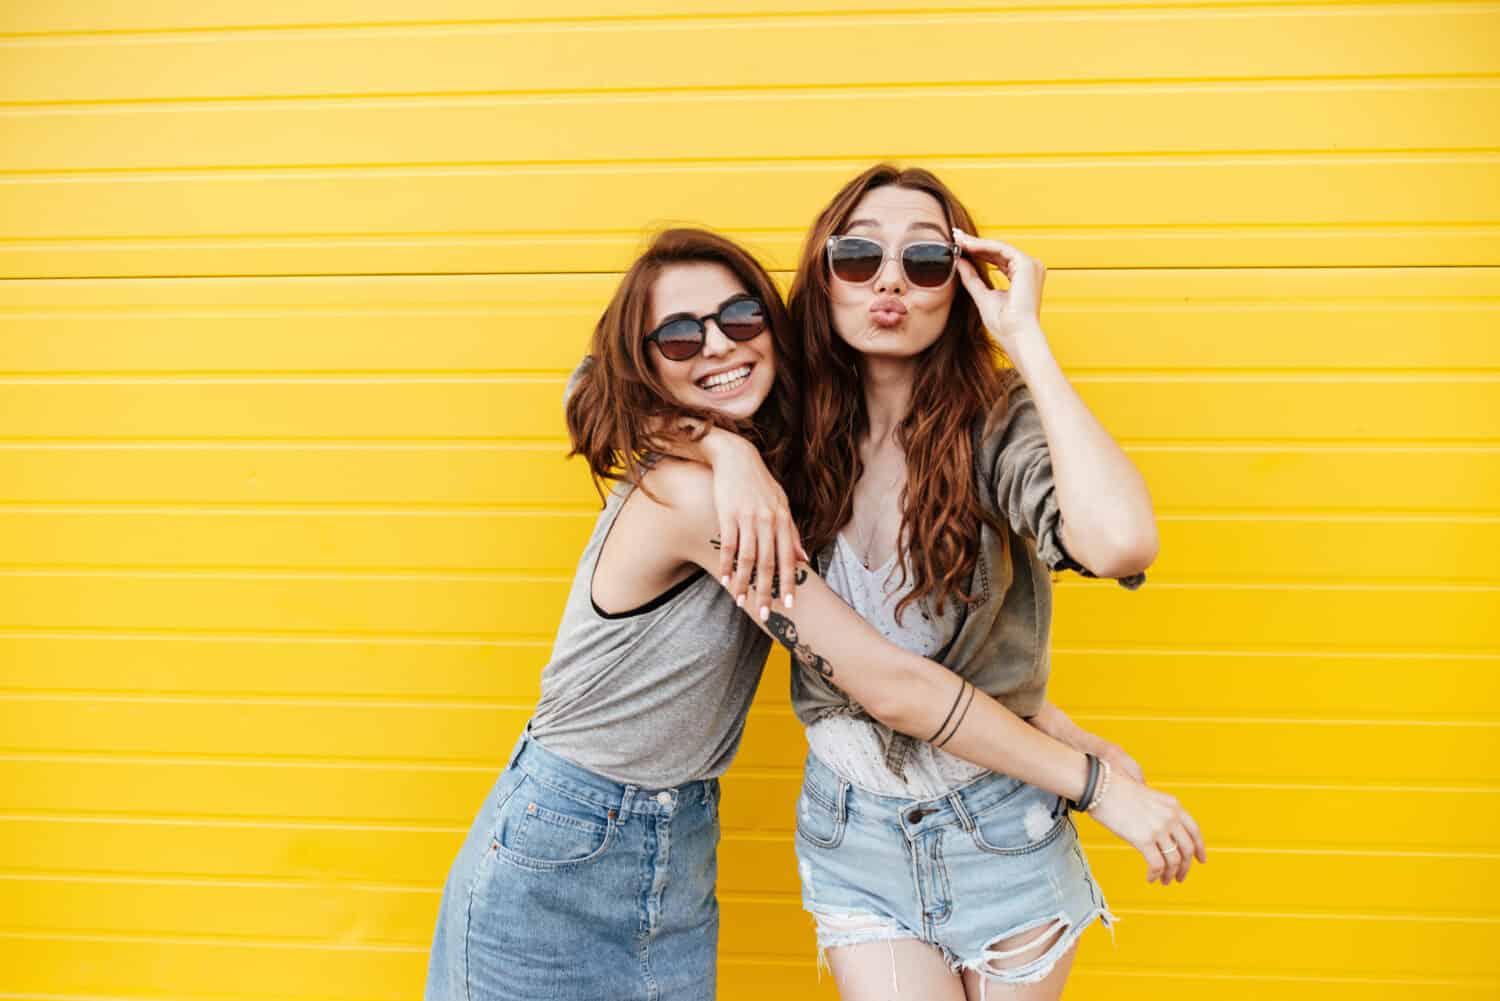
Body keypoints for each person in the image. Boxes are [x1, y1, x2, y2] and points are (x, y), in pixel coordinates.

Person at [426, 225, 1200, 1001]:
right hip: (564, 839)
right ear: (647, 359)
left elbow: (913, 653)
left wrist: (1056, 724)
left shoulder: (768, 456)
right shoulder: (697, 494)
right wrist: (1096, 784)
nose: (717, 345)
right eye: (679, 333)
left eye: (740, 318)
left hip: (674, 833)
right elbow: (890, 683)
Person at [695, 164, 1208, 1000]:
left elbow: (1119, 541)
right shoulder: (777, 420)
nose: (890, 279)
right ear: (822, 278)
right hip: (852, 830)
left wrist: (1027, 339)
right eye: (858, 255)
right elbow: (603, 396)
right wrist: (726, 451)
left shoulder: (994, 423)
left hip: (1001, 823)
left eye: (926, 261)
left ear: (960, 287)